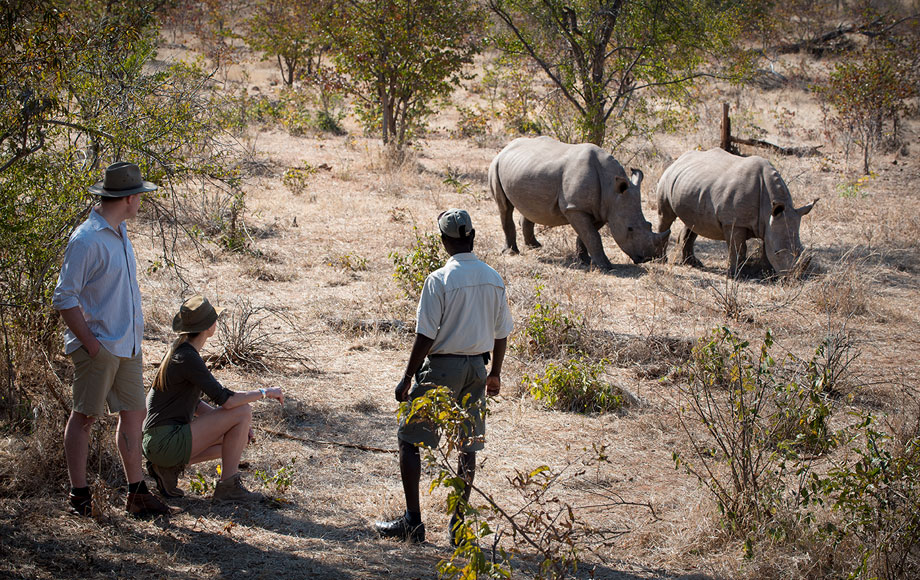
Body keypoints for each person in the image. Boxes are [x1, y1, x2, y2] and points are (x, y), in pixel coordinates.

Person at [375, 208, 514, 545]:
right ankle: (458, 526)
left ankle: (413, 521)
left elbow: (425, 334)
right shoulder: (493, 278)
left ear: (444, 242)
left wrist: (407, 376)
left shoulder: (439, 279)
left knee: (409, 439)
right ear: (473, 237)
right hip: (476, 370)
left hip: (442, 368)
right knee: (467, 447)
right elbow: (502, 332)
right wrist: (494, 372)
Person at [52, 161, 168, 517]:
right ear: (129, 198)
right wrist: (90, 342)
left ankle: (136, 492)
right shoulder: (86, 239)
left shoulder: (118, 232)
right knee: (84, 417)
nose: (141, 204)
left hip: (127, 345)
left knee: (134, 413)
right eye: (140, 197)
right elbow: (64, 297)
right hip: (99, 346)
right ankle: (79, 495)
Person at [142, 295, 284, 503]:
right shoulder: (187, 357)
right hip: (165, 442)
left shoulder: (181, 352)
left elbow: (196, 404)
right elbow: (227, 400)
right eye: (214, 319)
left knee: (240, 436)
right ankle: (228, 487)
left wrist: (238, 425)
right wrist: (266, 392)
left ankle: (168, 467)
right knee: (243, 410)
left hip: (158, 442)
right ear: (207, 327)